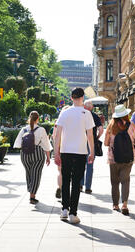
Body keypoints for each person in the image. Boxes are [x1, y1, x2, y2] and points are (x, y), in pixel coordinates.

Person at [54, 88, 95, 224]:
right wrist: (92, 152)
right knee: (76, 182)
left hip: (66, 151)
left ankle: (64, 209)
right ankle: (73, 213)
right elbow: (90, 135)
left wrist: (56, 152)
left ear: (71, 98)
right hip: (80, 151)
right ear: (82, 97)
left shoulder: (64, 113)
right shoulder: (87, 114)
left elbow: (57, 134)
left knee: (65, 180)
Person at [104, 105, 135, 215]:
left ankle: (115, 204)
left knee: (114, 182)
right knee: (125, 181)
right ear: (126, 115)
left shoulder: (111, 126)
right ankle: (124, 204)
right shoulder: (131, 125)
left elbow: (105, 143)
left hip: (113, 158)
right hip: (128, 158)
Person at [14, 111, 52, 204]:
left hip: (25, 155)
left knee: (29, 174)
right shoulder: (41, 129)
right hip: (37, 154)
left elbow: (17, 144)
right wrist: (48, 156)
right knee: (36, 175)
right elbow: (46, 144)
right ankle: (32, 195)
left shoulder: (23, 129)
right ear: (38, 118)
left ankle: (30, 190)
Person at [80, 101, 103, 194]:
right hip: (91, 142)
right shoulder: (95, 116)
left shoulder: (80, 115)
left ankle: (80, 185)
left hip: (80, 142)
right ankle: (88, 187)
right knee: (90, 164)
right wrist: (96, 137)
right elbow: (101, 130)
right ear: (92, 107)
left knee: (81, 164)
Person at [52, 105, 70, 199]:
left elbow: (54, 137)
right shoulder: (73, 122)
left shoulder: (58, 123)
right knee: (69, 171)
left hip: (60, 149)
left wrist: (55, 152)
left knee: (60, 171)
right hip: (70, 149)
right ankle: (67, 189)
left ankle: (60, 188)